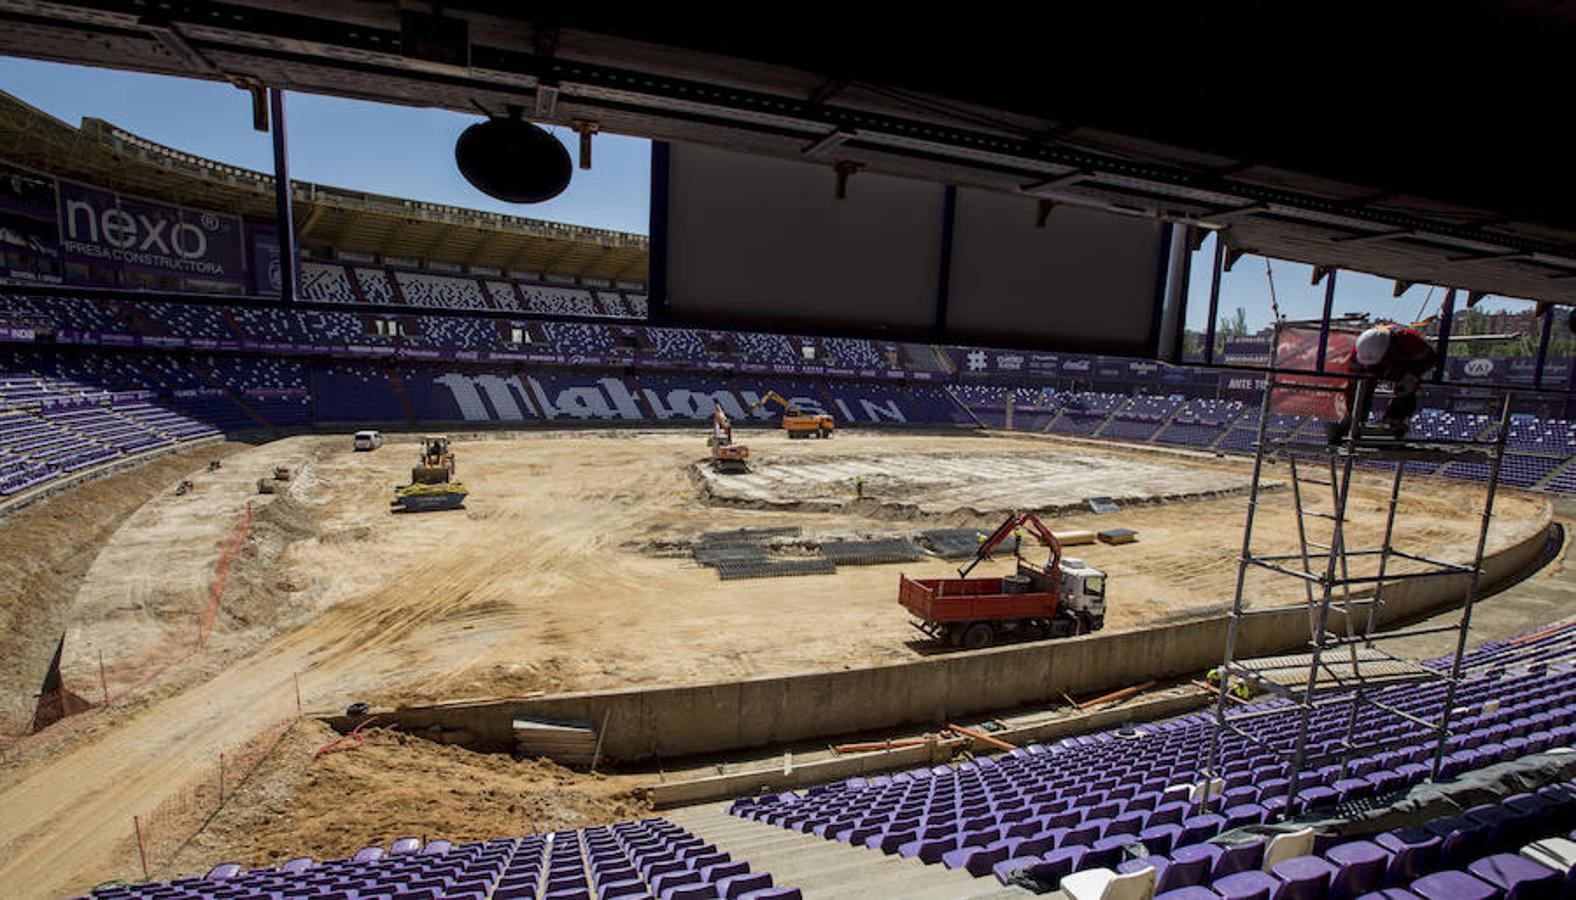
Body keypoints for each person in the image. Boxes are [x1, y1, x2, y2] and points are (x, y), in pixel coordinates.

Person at [1330, 322, 1438, 441]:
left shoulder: (1407, 339)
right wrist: (1351, 410)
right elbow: (1353, 381)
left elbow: (1429, 358)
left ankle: (1394, 422)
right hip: (1382, 365)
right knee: (1360, 386)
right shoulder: (1361, 349)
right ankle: (1354, 422)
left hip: (1403, 366)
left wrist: (1412, 374)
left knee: (1407, 385)